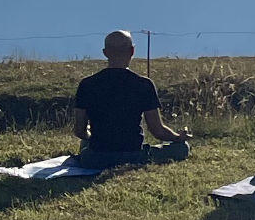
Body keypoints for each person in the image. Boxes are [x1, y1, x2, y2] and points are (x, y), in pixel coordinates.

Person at [72, 30, 191, 169]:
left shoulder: (87, 84)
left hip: (96, 158)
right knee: (183, 148)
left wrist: (91, 137)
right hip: (134, 156)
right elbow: (157, 130)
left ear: (105, 52)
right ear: (132, 51)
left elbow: (79, 130)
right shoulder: (143, 84)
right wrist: (178, 138)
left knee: (85, 144)